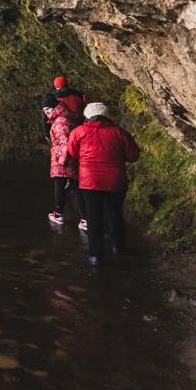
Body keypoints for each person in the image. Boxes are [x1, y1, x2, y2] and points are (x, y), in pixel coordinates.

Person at [66, 102, 140, 267]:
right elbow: (133, 155)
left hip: (89, 181)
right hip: (115, 180)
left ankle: (95, 255)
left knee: (93, 217)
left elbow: (72, 152)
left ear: (87, 116)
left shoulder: (78, 132)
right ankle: (117, 246)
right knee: (114, 213)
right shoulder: (119, 133)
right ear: (107, 116)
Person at [43, 94, 85, 230]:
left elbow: (65, 143)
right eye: (44, 109)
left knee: (61, 186)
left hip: (63, 160)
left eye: (48, 108)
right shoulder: (63, 117)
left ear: (55, 106)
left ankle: (59, 213)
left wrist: (61, 161)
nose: (46, 111)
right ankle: (85, 218)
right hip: (67, 158)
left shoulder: (60, 120)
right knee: (75, 187)